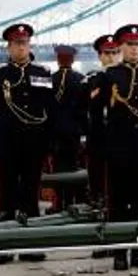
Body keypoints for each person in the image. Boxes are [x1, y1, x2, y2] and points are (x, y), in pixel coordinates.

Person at [95, 23, 138, 271]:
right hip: (118, 148)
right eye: (130, 45)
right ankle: (119, 252)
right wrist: (102, 145)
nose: (135, 49)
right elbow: (96, 114)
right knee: (117, 203)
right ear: (121, 47)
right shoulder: (109, 76)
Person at [0, 23, 54, 265]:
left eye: (24, 43)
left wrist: (48, 143)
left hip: (34, 143)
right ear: (9, 46)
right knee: (7, 196)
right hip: (8, 144)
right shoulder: (0, 76)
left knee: (31, 195)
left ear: (30, 45)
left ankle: (30, 244)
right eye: (16, 43)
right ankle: (3, 246)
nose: (21, 47)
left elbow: (50, 109)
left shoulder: (42, 73)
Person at [85, 34, 120, 259]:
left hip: (121, 146)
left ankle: (122, 240)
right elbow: (89, 109)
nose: (112, 56)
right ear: (100, 56)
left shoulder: (130, 77)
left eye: (115, 52)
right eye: (107, 53)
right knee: (100, 194)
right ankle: (104, 239)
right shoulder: (94, 80)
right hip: (99, 146)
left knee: (119, 196)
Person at [50, 44, 87, 207]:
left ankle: (60, 203)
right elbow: (84, 108)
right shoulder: (81, 79)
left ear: (58, 59)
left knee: (57, 168)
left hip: (54, 132)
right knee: (73, 167)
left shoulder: (48, 80)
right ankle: (73, 201)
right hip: (74, 132)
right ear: (72, 60)